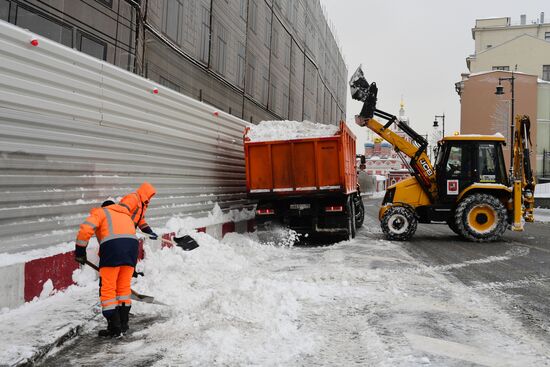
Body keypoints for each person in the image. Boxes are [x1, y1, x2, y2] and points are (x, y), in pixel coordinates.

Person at [75, 200, 139, 337]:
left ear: (104, 207)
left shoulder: (101, 212)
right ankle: (123, 324)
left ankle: (114, 328)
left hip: (112, 250)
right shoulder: (125, 215)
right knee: (123, 288)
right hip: (132, 250)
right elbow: (129, 236)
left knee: (108, 288)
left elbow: (85, 229)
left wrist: (80, 252)